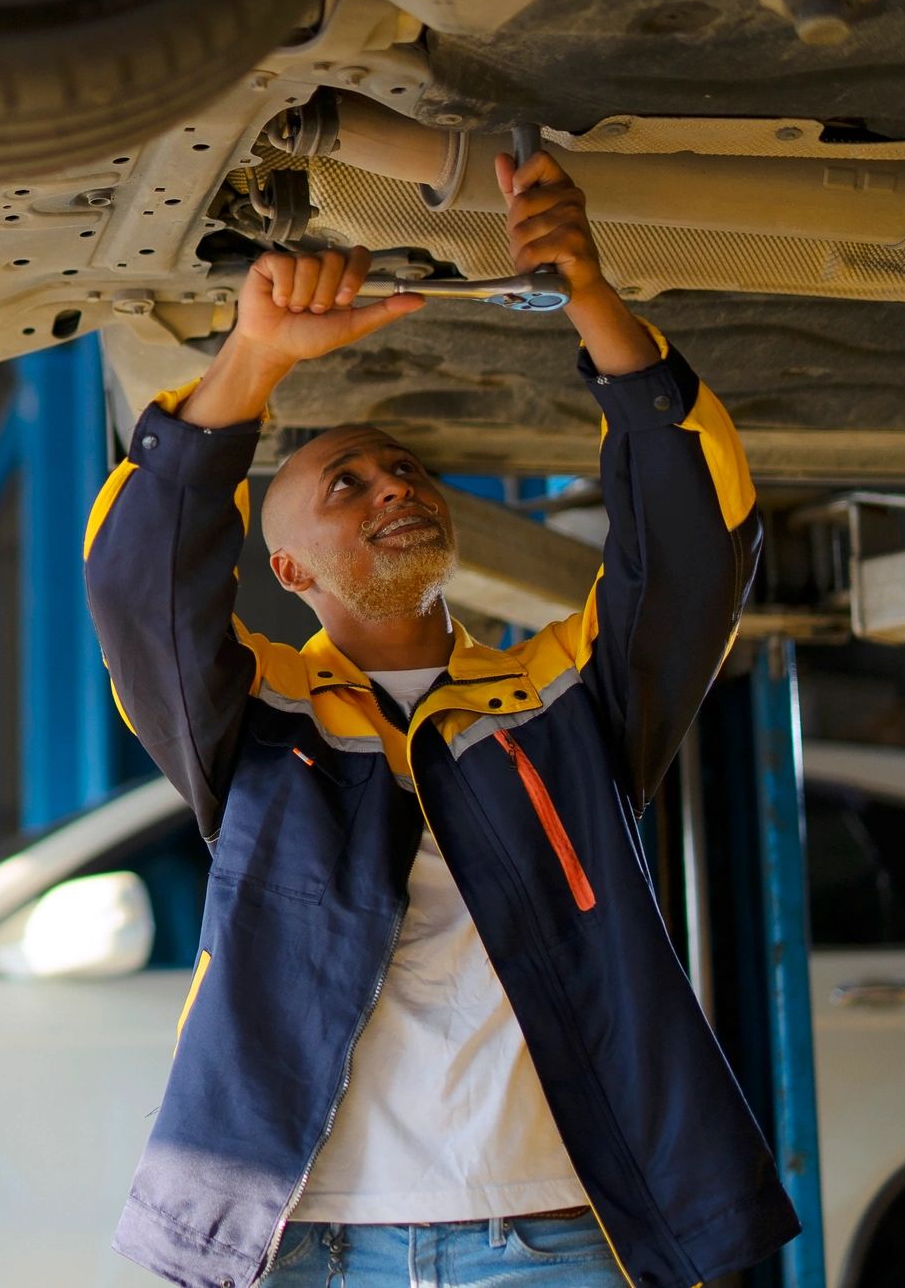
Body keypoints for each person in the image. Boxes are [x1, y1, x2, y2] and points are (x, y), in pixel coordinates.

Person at [82, 150, 799, 1288]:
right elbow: (142, 591)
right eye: (348, 486)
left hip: (557, 1241)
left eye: (404, 471)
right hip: (309, 1248)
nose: (393, 487)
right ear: (288, 568)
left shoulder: (569, 706)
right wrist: (252, 359)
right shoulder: (256, 721)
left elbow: (694, 556)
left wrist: (592, 299)